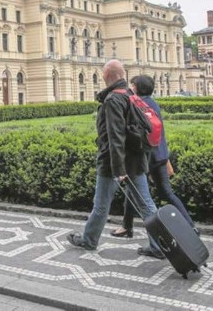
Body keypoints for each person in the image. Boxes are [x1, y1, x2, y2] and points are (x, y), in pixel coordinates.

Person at [67, 59, 165, 259]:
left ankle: (89, 240)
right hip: (136, 160)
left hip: (114, 162)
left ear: (107, 75)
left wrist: (118, 169)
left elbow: (115, 137)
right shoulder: (130, 94)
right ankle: (159, 245)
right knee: (146, 204)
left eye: (103, 74)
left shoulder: (113, 99)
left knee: (101, 204)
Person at [111, 75, 195, 238]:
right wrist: (166, 157)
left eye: (132, 85)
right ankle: (190, 226)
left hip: (146, 157)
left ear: (136, 87)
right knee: (164, 193)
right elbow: (159, 133)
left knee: (136, 192)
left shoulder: (136, 105)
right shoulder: (153, 103)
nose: (130, 87)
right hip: (160, 155)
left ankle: (148, 237)